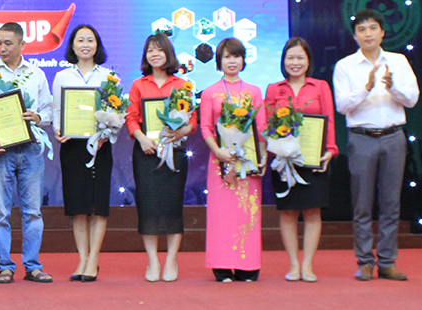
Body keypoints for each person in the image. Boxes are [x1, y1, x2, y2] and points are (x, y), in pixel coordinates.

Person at [333, 9, 418, 281]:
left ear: (382, 32)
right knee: (362, 204)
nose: (367, 34)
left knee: (391, 203)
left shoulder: (398, 61)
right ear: (355, 36)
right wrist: (366, 88)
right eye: (361, 29)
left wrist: (392, 88)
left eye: (372, 28)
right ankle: (365, 262)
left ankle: (388, 261)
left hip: (394, 137)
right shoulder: (345, 66)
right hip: (361, 138)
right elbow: (342, 106)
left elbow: (412, 99)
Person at [0, 22, 53, 284]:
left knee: (33, 212)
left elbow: (49, 110)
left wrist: (38, 116)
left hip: (30, 149)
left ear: (22, 45)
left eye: (8, 43)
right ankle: (5, 266)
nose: (2, 48)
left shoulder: (36, 74)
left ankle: (32, 266)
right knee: (1, 212)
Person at [125, 33, 198, 282]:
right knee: (148, 207)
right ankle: (153, 261)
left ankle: (171, 260)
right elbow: (131, 117)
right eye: (150, 50)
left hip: (174, 152)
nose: (154, 54)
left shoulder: (182, 85)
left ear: (168, 53)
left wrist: (181, 131)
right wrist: (141, 138)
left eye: (159, 50)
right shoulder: (139, 84)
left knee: (172, 206)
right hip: (146, 152)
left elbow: (192, 120)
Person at [265, 37, 337, 283]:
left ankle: (307, 266)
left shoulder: (320, 86)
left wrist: (330, 150)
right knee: (287, 212)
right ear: (283, 61)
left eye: (300, 57)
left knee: (312, 212)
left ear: (308, 61)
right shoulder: (274, 89)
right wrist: (272, 151)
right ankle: (293, 265)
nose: (295, 62)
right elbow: (267, 124)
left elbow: (329, 119)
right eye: (290, 57)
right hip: (284, 161)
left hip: (313, 158)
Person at [199, 37, 266, 282]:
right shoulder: (210, 92)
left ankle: (248, 266)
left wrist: (262, 156)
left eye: (236, 56)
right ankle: (222, 266)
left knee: (248, 212)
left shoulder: (254, 91)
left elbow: (261, 128)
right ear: (219, 61)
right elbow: (206, 128)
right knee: (222, 215)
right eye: (227, 56)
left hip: (248, 162)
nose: (232, 61)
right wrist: (218, 151)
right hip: (220, 163)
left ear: (243, 60)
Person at [50, 24, 111, 282]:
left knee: (98, 206)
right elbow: (56, 110)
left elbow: (116, 112)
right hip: (72, 146)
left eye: (90, 40)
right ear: (72, 45)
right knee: (78, 207)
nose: (85, 45)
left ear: (97, 45)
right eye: (80, 40)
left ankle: (94, 259)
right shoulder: (62, 77)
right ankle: (83, 259)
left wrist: (106, 134)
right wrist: (58, 130)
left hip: (100, 146)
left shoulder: (109, 76)